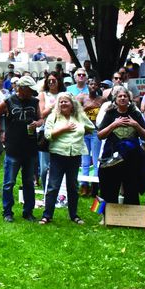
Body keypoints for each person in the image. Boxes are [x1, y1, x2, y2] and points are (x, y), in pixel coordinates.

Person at [0, 76, 43, 223]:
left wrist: (37, 123)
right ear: (22, 89)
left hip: (30, 147)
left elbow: (40, 118)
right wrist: (1, 132)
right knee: (9, 182)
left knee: (28, 181)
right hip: (13, 147)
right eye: (30, 90)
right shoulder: (9, 102)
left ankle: (28, 211)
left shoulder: (35, 102)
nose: (32, 93)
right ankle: (7, 211)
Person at [40, 92, 95, 224]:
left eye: (66, 101)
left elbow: (91, 128)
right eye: (61, 102)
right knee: (53, 186)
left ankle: (74, 215)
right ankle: (47, 215)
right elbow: (47, 135)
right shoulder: (53, 117)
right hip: (58, 154)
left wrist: (79, 135)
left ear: (72, 104)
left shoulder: (79, 116)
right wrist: (63, 129)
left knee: (73, 186)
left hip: (75, 154)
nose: (63, 103)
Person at [97, 87, 145, 205]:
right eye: (120, 96)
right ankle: (108, 214)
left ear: (129, 99)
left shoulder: (135, 114)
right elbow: (100, 135)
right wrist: (114, 125)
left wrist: (136, 125)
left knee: (131, 186)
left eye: (125, 96)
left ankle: (131, 217)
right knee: (110, 187)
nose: (122, 98)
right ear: (115, 99)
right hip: (113, 156)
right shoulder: (110, 114)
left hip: (132, 157)